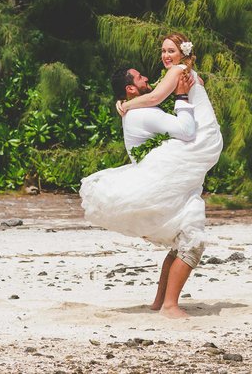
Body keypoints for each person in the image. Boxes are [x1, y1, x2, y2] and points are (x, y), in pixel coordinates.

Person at [80, 33, 223, 318]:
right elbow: (165, 106)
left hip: (199, 139)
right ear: (130, 89)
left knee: (188, 232)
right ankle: (167, 305)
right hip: (201, 138)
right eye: (163, 51)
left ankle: (165, 303)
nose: (165, 56)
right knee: (188, 235)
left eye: (171, 50)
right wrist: (132, 104)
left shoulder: (178, 73)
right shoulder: (177, 75)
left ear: (184, 53)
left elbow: (158, 96)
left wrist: (126, 104)